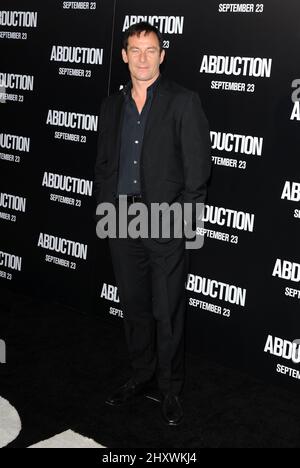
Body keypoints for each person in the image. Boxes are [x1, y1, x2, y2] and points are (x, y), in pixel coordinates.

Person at [94, 21, 212, 425]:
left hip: (165, 222)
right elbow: (104, 163)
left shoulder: (183, 101)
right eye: (135, 50)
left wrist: (180, 224)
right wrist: (105, 206)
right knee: (135, 308)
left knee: (168, 311)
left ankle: (170, 389)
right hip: (120, 219)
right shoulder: (112, 105)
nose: (142, 58)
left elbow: (198, 174)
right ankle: (141, 375)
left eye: (151, 50)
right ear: (124, 55)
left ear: (162, 55)